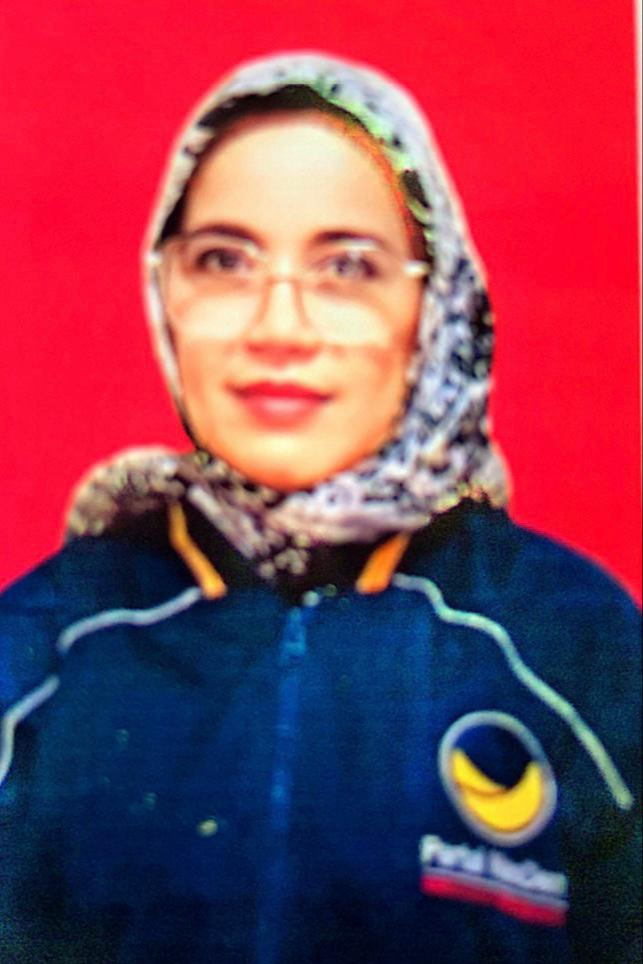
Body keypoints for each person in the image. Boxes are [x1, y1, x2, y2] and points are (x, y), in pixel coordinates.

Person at [0, 52, 639, 964]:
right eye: (224, 261)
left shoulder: (572, 641)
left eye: (347, 266)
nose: (278, 327)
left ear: (434, 305)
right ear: (165, 290)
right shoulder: (43, 644)